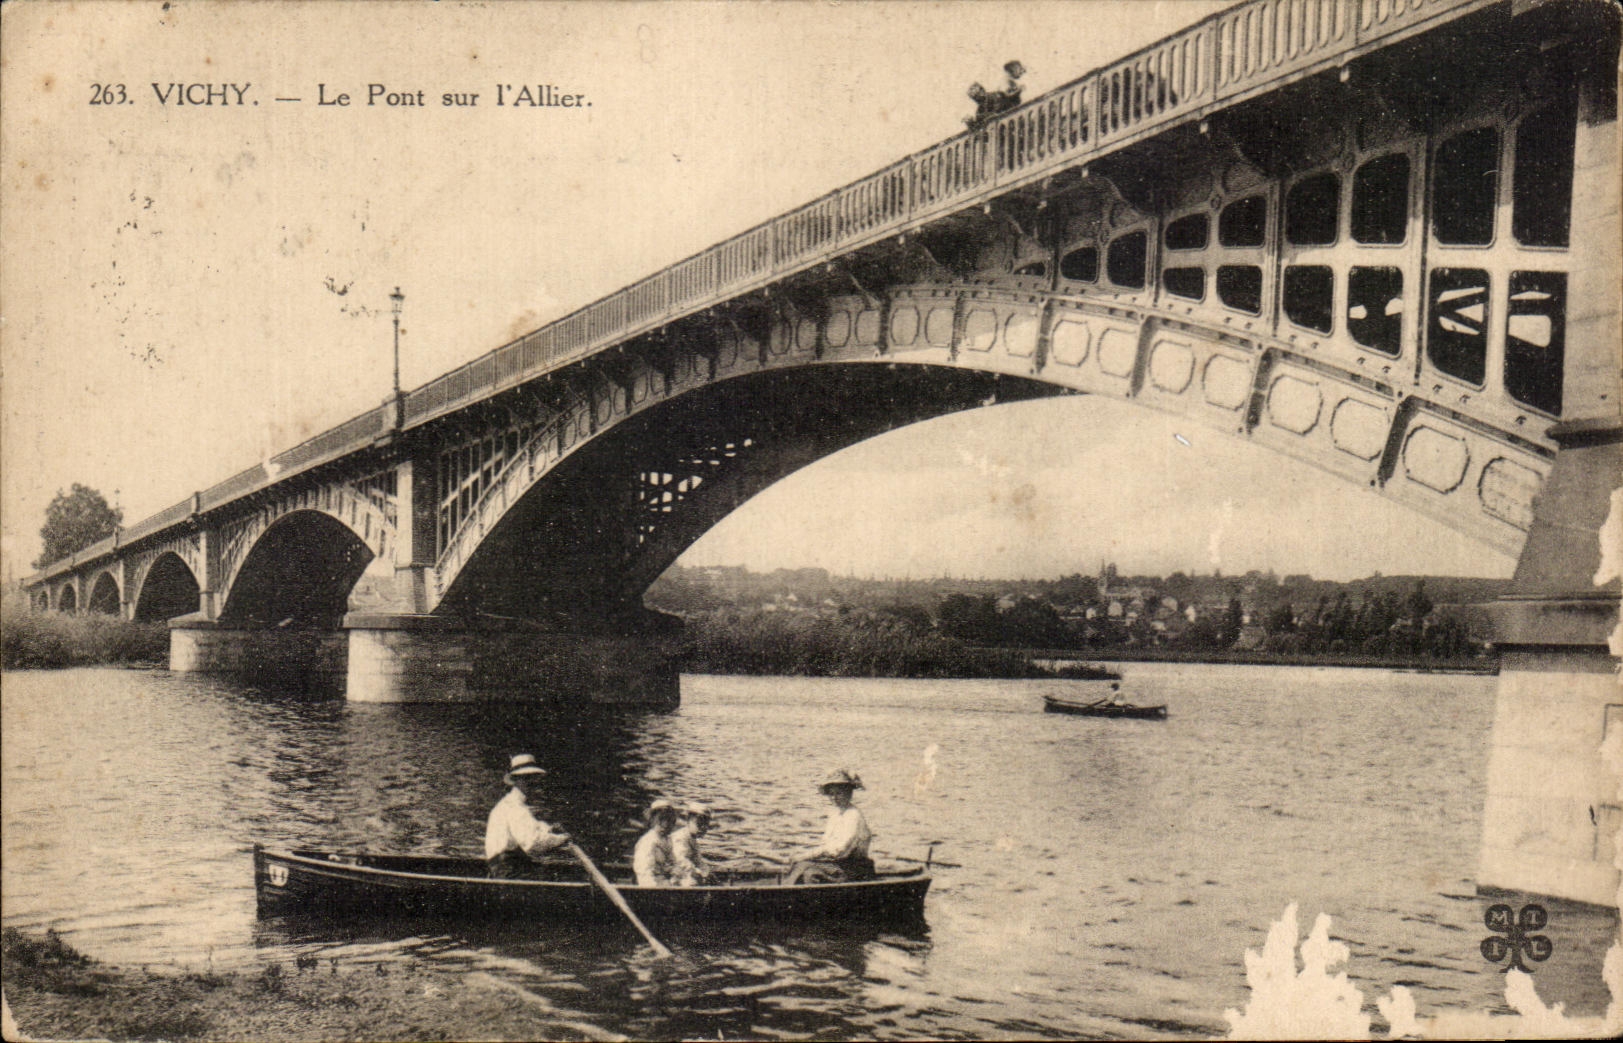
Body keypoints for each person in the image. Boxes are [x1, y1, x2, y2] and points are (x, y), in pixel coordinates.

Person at [485, 753, 571, 879]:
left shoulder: (512, 803)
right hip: (507, 872)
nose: (533, 783)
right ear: (516, 780)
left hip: (509, 866)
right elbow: (532, 844)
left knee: (553, 873)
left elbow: (533, 827)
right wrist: (561, 839)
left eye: (534, 778)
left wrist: (550, 830)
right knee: (558, 878)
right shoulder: (515, 808)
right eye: (526, 778)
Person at [785, 768, 875, 885]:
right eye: (831, 794)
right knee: (800, 865)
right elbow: (826, 845)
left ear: (849, 793)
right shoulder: (835, 814)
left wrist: (806, 856)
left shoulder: (854, 815)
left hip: (855, 869)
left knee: (809, 873)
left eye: (838, 793)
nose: (834, 798)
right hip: (839, 864)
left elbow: (839, 851)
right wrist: (804, 857)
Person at [632, 799, 681, 886]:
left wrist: (675, 875)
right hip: (652, 886)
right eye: (661, 819)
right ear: (653, 820)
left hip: (665, 882)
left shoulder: (667, 840)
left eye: (669, 820)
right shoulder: (647, 842)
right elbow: (644, 873)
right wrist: (660, 887)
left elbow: (672, 863)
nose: (665, 824)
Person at [673, 803, 716, 886]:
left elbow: (698, 861)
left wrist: (707, 872)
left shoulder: (693, 839)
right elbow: (681, 861)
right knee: (692, 883)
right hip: (675, 876)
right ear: (688, 820)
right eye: (699, 823)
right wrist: (699, 873)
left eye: (705, 824)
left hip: (685, 873)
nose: (703, 827)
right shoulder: (680, 838)